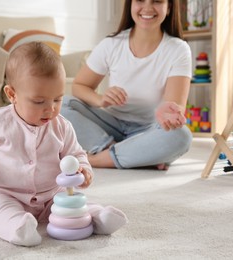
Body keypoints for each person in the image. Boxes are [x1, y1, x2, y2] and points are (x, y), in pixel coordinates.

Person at [0, 42, 128, 247]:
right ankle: (17, 227)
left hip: (50, 194)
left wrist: (84, 170)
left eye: (58, 99)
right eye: (38, 102)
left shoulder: (62, 126)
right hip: (4, 192)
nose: (50, 109)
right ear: (12, 95)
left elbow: (76, 154)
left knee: (73, 203)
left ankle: (97, 217)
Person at [61, 0, 193, 170]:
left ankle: (96, 160)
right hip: (110, 127)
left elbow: (175, 108)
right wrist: (100, 99)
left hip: (149, 130)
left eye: (157, 1)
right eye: (140, 0)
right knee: (62, 105)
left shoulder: (178, 49)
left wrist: (167, 114)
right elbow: (79, 86)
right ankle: (131, 155)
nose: (147, 7)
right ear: (130, 5)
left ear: (168, 8)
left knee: (181, 136)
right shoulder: (112, 44)